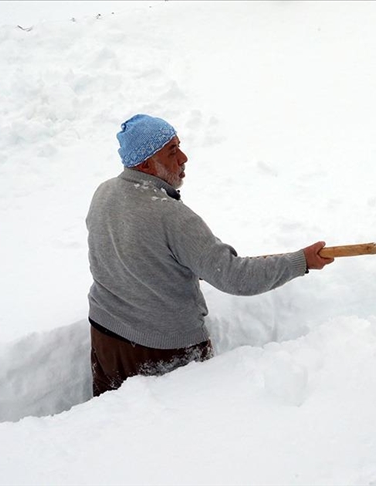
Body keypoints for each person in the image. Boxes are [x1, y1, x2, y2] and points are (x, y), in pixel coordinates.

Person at [86, 114, 333, 396]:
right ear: (145, 163)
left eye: (179, 146)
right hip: (162, 350)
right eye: (172, 151)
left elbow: (125, 251)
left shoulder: (104, 193)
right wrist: (302, 261)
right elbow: (234, 277)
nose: (184, 157)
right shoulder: (171, 216)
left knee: (111, 430)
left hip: (105, 336)